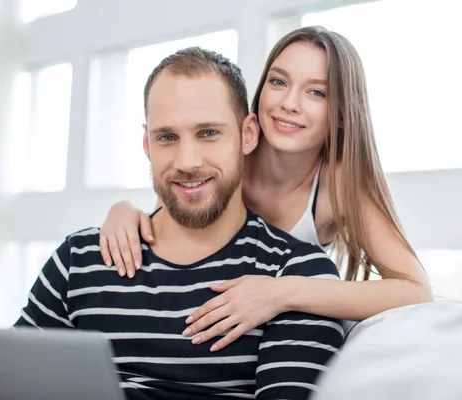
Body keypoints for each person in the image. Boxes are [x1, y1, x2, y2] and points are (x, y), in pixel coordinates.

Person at [14, 47, 344, 400]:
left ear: (248, 134)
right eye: (167, 137)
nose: (187, 162)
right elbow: (4, 382)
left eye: (208, 134)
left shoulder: (296, 275)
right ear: (147, 143)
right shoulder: (77, 260)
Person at [98, 26, 434, 352]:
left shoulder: (339, 185)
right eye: (278, 81)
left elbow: (414, 290)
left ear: (343, 114)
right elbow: (171, 210)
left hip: (275, 333)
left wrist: (281, 292)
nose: (289, 103)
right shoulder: (223, 154)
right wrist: (124, 211)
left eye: (316, 92)